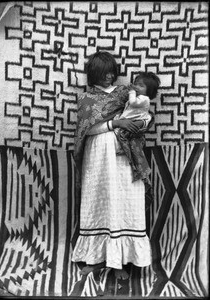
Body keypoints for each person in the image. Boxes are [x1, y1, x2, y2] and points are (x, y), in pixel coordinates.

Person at [72, 51, 155, 280]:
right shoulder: (86, 99)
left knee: (123, 199)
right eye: (104, 72)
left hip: (125, 157)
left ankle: (121, 262)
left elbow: (145, 113)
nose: (109, 76)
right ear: (94, 73)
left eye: (112, 72)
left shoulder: (125, 92)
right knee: (100, 200)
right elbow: (86, 130)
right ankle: (96, 260)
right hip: (97, 158)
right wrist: (115, 122)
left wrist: (139, 123)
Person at [114, 72, 160, 189]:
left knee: (126, 140)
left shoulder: (144, 99)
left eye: (141, 85)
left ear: (149, 90)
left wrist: (131, 92)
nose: (136, 87)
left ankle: (130, 158)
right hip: (128, 123)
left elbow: (133, 102)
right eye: (135, 84)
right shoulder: (139, 97)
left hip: (134, 125)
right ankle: (128, 156)